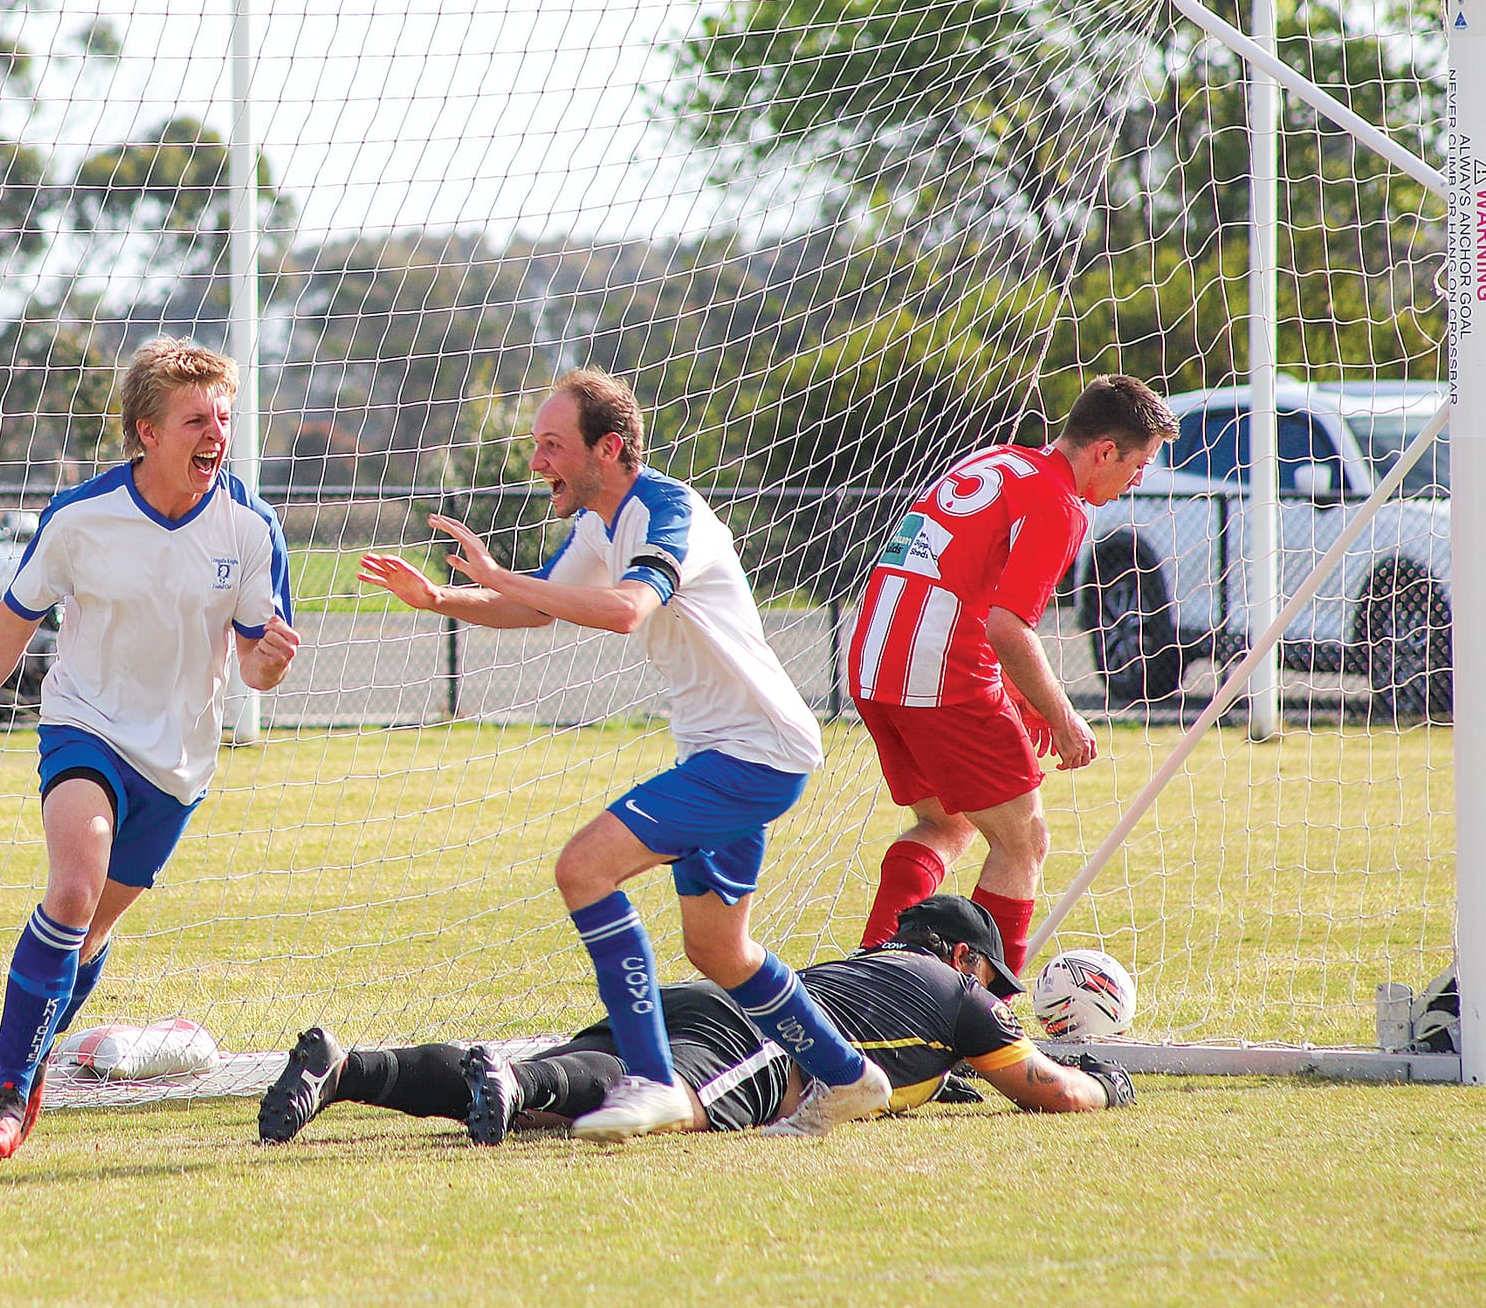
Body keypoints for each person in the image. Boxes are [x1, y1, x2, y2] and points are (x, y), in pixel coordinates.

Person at [358, 368, 886, 1144]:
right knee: (716, 946)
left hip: (755, 751)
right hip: (730, 748)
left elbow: (624, 609)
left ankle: (652, 1081)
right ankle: (848, 1078)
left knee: (584, 868)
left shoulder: (666, 510)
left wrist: (498, 575)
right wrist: (442, 599)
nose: (537, 463)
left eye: (551, 446)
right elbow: (533, 603)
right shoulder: (600, 523)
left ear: (609, 449)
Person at [0, 339, 299, 1159]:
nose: (215, 432)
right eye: (196, 418)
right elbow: (12, 623)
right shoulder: (80, 519)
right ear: (147, 432)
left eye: (223, 416)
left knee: (87, 936)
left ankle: (33, 1053)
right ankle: (9, 1090)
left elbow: (259, 660)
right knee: (72, 891)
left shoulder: (252, 528)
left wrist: (270, 660)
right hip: (85, 729)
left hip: (179, 763)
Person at [256, 895, 1134, 1145]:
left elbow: (918, 1073)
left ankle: (351, 1067)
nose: (996, 994)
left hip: (711, 1001)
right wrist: (1099, 1080)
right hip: (762, 1045)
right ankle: (515, 1077)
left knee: (538, 1096)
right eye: (991, 975)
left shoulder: (866, 969)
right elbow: (1047, 1090)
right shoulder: (956, 994)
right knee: (633, 1092)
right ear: (960, 959)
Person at [850, 376, 1179, 972]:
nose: (1138, 481)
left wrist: (1018, 694)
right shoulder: (1058, 504)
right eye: (1138, 465)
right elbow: (1007, 628)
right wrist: (1063, 715)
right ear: (1105, 450)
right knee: (1023, 840)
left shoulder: (997, 459)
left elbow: (959, 585)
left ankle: (869, 980)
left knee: (945, 825)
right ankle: (980, 1016)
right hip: (940, 673)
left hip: (874, 659)